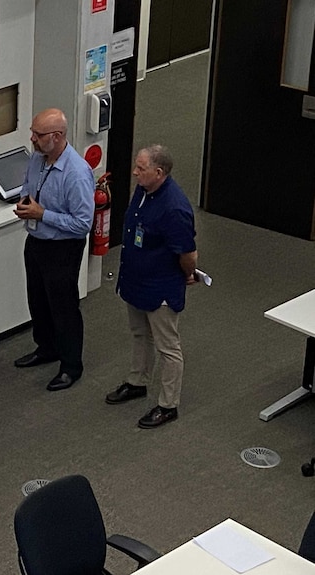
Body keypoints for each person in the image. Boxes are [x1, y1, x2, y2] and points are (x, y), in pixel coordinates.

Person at [105, 145, 197, 429]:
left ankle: (168, 405)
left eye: (141, 169)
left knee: (168, 347)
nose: (134, 173)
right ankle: (137, 382)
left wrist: (189, 274)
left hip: (161, 287)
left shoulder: (175, 207)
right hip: (135, 280)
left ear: (159, 173)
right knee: (139, 333)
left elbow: (188, 254)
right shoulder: (144, 190)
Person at [13, 108, 94, 391]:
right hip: (36, 241)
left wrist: (42, 214)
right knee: (37, 301)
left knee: (64, 308)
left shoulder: (77, 173)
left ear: (57, 137)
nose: (32, 139)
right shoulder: (37, 159)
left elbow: (83, 224)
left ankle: (71, 366)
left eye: (39, 134)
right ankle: (46, 348)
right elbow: (28, 185)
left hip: (63, 249)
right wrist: (26, 205)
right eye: (33, 132)